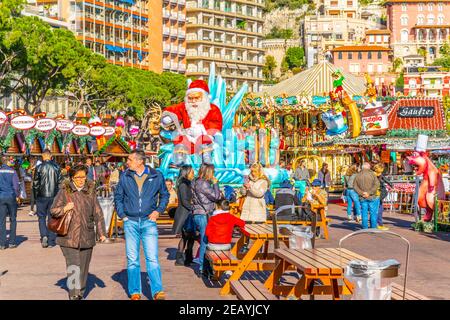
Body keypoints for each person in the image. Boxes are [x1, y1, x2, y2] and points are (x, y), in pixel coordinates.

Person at [114, 149, 170, 300]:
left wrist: (158, 211)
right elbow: (118, 197)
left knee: (152, 257)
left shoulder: (156, 175)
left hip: (148, 221)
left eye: (130, 160)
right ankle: (135, 291)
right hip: (130, 222)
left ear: (140, 161)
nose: (127, 162)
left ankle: (157, 290)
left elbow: (165, 195)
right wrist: (122, 215)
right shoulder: (125, 176)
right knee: (132, 258)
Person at [50, 165, 107, 300]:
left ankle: (80, 292)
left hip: (87, 234)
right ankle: (74, 294)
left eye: (83, 177)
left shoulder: (90, 192)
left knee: (84, 267)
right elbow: (53, 210)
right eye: (77, 177)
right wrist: (64, 208)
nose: (81, 180)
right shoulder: (64, 192)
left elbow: (98, 213)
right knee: (73, 266)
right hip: (68, 236)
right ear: (72, 178)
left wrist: (101, 233)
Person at [191, 163, 222, 277]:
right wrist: (216, 184)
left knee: (205, 239)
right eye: (212, 172)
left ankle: (204, 265)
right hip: (203, 213)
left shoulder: (196, 181)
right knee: (205, 240)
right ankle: (202, 267)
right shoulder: (203, 183)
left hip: (198, 213)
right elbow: (216, 197)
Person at [33, 149, 62, 248]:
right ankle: (51, 240)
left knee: (41, 217)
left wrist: (36, 196)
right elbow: (59, 183)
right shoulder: (56, 167)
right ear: (51, 156)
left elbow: (35, 183)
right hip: (53, 196)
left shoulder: (39, 167)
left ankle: (44, 235)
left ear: (43, 156)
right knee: (52, 218)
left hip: (41, 196)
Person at [172, 165, 195, 266]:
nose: (193, 173)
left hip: (187, 213)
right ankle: (179, 258)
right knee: (185, 237)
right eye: (191, 172)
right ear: (186, 172)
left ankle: (188, 257)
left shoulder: (188, 184)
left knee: (190, 237)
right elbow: (184, 201)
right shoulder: (183, 185)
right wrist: (193, 208)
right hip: (184, 213)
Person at [0, 156, 20, 249]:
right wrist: (17, 195)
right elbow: (16, 186)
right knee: (13, 219)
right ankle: (12, 242)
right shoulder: (13, 172)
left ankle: (2, 243)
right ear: (7, 162)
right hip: (11, 197)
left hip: (1, 197)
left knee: (2, 220)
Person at [353, 162, 380, 229]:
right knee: (372, 213)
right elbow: (376, 184)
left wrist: (362, 193)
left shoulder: (357, 175)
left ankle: (365, 227)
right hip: (371, 196)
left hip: (362, 197)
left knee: (364, 212)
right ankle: (373, 227)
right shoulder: (372, 174)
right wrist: (369, 193)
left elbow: (355, 186)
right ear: (368, 167)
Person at [373, 163, 393, 231]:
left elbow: (387, 181)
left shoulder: (377, 175)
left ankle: (375, 224)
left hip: (377, 194)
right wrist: (390, 185)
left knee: (376, 209)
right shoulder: (376, 175)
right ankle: (379, 224)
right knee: (379, 209)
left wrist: (391, 185)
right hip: (378, 194)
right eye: (381, 169)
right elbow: (386, 181)